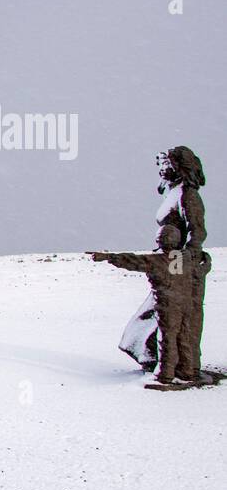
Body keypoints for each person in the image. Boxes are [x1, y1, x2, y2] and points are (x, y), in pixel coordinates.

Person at [118, 146, 208, 373]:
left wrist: (180, 266)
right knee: (156, 316)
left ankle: (174, 368)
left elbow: (197, 233)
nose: (162, 169)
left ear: (179, 166)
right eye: (160, 165)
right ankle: (161, 361)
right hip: (169, 260)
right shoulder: (174, 192)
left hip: (178, 264)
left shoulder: (187, 194)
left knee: (169, 315)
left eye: (166, 164)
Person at [92, 226, 199, 384]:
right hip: (185, 305)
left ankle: (165, 373)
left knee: (167, 339)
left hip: (167, 305)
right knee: (183, 337)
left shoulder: (156, 260)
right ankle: (187, 370)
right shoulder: (186, 259)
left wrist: (107, 257)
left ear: (160, 240)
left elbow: (131, 260)